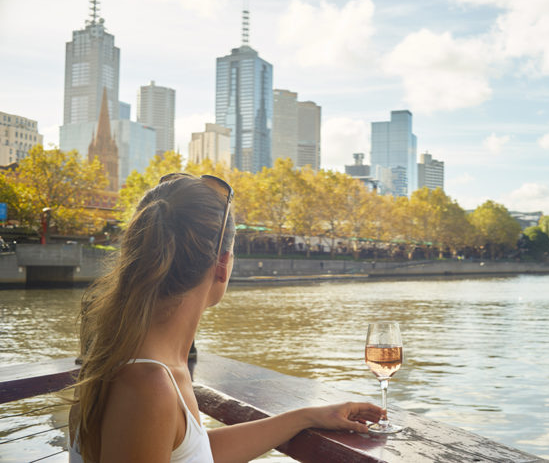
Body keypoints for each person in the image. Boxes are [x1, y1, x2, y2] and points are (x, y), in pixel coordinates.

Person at [68, 173, 382, 462]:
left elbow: (190, 452)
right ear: (223, 264)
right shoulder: (146, 385)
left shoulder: (142, 362)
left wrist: (306, 417)